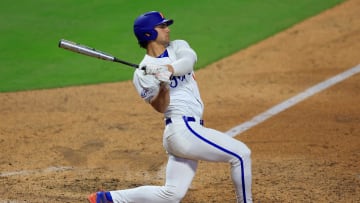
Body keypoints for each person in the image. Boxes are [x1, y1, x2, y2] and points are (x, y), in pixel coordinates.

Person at [88, 11, 253, 203]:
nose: (168, 29)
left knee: (171, 195)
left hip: (190, 130)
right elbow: (160, 107)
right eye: (162, 26)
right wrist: (163, 86)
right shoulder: (142, 73)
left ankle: (107, 199)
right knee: (241, 154)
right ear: (149, 34)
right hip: (181, 130)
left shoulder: (178, 47)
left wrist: (168, 70)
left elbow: (189, 61)